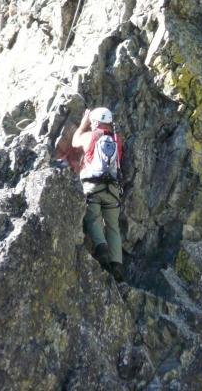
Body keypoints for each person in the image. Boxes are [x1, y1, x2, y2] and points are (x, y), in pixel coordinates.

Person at [72, 107, 124, 282]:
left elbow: (74, 141)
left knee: (93, 219)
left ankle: (101, 250)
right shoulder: (117, 139)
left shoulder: (89, 137)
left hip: (92, 187)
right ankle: (117, 264)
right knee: (113, 226)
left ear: (94, 121)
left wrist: (83, 123)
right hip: (113, 190)